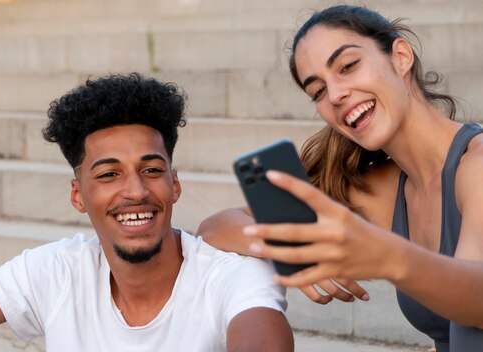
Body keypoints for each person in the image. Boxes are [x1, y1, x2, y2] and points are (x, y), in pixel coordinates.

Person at [0, 73, 293, 352]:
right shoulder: (58, 269)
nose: (136, 191)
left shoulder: (231, 276)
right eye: (109, 175)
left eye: (151, 169)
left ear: (174, 184)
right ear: (78, 196)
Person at [198, 5, 483, 352]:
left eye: (347, 66)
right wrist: (292, 247)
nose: (334, 96)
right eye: (317, 91)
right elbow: (215, 228)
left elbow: (477, 301)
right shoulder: (385, 190)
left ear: (401, 56)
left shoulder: (477, 164)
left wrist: (391, 258)